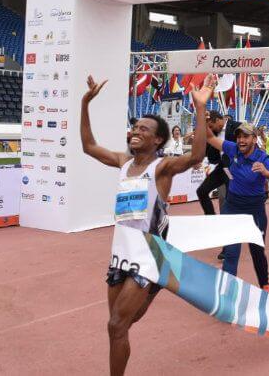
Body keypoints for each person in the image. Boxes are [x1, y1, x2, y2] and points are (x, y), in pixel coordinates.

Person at [81, 73, 215, 376]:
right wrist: (85, 103)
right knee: (125, 322)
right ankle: (155, 288)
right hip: (121, 251)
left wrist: (200, 108)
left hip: (150, 252)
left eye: (143, 129)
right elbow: (89, 146)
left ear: (157, 140)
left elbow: (197, 155)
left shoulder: (162, 167)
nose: (135, 131)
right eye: (134, 127)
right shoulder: (123, 162)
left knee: (116, 325)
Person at [206, 122, 269, 292]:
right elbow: (210, 137)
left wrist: (267, 173)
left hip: (255, 210)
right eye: (239, 136)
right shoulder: (233, 148)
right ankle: (227, 293)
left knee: (257, 252)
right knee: (231, 253)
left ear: (254, 139)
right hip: (232, 207)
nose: (241, 140)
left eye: (245, 136)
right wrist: (201, 112)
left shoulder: (262, 158)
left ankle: (265, 285)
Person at [196, 111, 241, 216]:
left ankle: (235, 223)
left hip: (235, 168)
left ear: (217, 120)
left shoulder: (237, 126)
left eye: (211, 126)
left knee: (231, 196)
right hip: (222, 168)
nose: (210, 129)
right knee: (202, 191)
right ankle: (211, 217)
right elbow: (206, 151)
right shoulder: (212, 133)